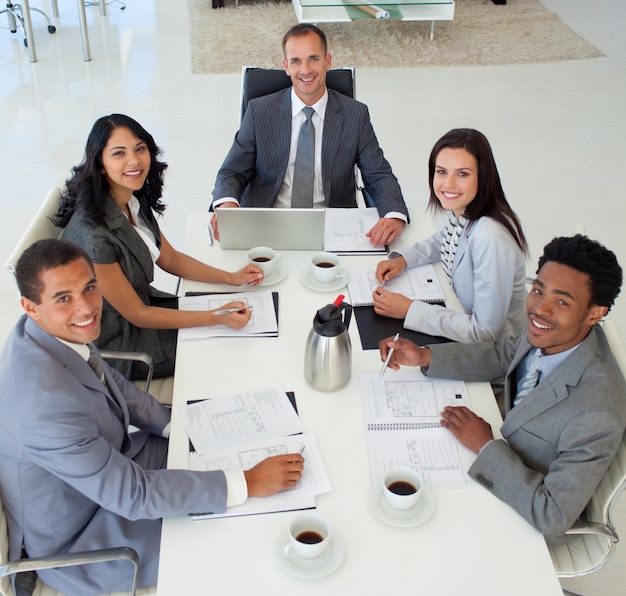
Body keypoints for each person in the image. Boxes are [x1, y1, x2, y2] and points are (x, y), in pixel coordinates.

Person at [0, 239, 304, 595]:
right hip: (85, 535)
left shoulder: (49, 333)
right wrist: (246, 483)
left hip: (111, 465)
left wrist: (179, 427)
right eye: (63, 298)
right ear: (30, 306)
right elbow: (133, 494)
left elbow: (110, 381)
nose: (86, 307)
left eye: (89, 288)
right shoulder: (44, 406)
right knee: (244, 531)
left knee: (235, 442)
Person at [379, 235, 626, 543]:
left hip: (521, 512)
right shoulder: (550, 330)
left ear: (595, 314)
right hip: (501, 447)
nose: (539, 309)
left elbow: (553, 515)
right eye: (538, 290)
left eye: (562, 301)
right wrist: (425, 356)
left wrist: (485, 445)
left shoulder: (597, 413)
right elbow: (504, 354)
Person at [56, 113, 263, 379]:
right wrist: (216, 317)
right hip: (124, 342)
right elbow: (138, 315)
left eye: (140, 149)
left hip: (143, 312)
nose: (134, 161)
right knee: (232, 346)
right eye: (119, 153)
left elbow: (170, 258)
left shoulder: (130, 197)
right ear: (100, 164)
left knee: (241, 330)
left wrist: (231, 278)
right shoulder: (94, 237)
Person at [210, 23, 409, 248]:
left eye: (313, 58)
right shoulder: (259, 111)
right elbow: (231, 172)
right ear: (286, 66)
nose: (305, 70)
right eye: (296, 61)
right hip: (266, 222)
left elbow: (379, 175)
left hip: (331, 226)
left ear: (328, 61)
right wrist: (227, 205)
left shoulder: (355, 114)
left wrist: (394, 215)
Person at [374, 128, 528, 343]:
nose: (448, 184)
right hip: (465, 318)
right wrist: (404, 259)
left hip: (501, 354)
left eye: (462, 174)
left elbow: (484, 332)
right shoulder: (467, 210)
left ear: (482, 177)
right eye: (441, 171)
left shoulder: (490, 239)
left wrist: (410, 310)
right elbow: (446, 239)